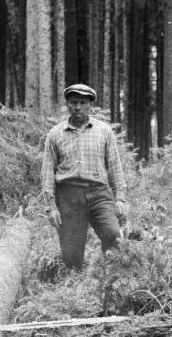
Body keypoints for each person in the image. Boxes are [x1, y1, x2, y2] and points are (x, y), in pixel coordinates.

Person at [40, 83, 127, 269]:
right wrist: (51, 207)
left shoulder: (104, 131)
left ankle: (109, 276)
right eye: (73, 102)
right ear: (67, 105)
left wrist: (120, 198)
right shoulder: (55, 134)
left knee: (113, 235)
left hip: (99, 194)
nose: (77, 107)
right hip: (68, 197)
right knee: (71, 255)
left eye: (82, 102)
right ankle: (75, 287)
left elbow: (114, 167)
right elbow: (47, 172)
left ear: (90, 105)